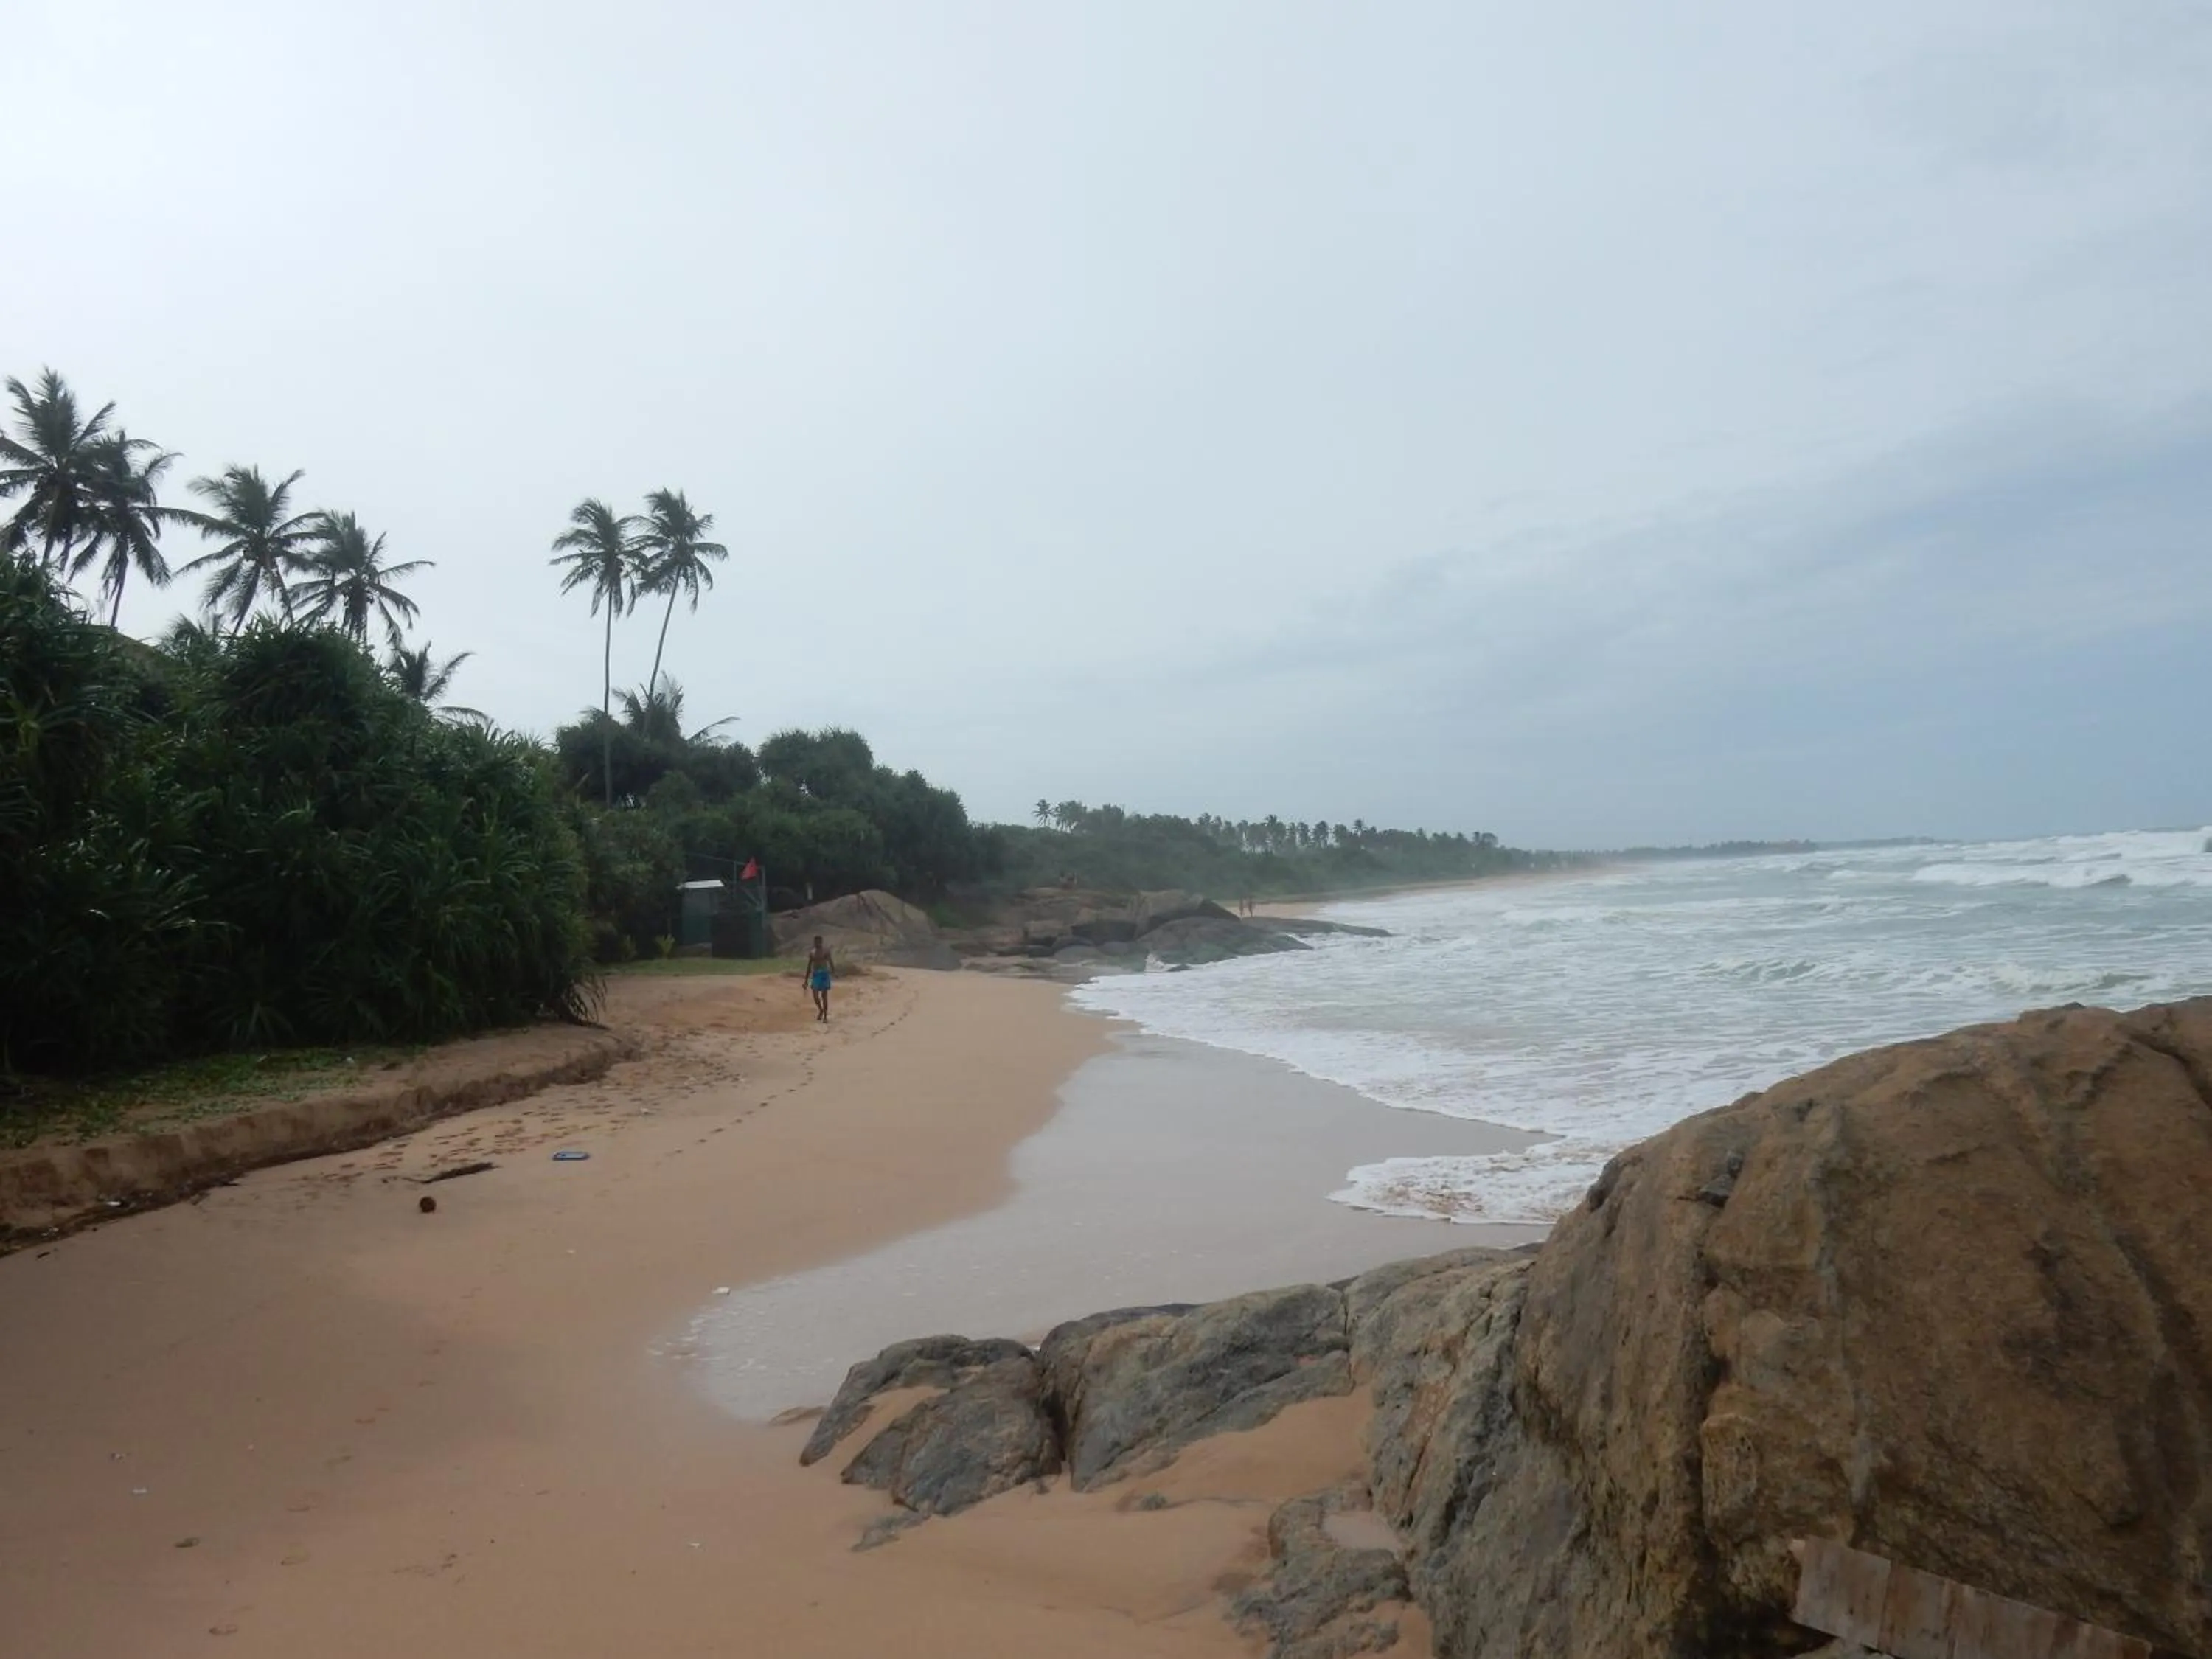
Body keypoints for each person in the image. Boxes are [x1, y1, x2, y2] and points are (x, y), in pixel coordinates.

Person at [804, 935, 834, 1023]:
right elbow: (809, 966)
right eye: (816, 942)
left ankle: (825, 1016)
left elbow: (830, 962)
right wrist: (806, 980)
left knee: (824, 996)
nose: (817, 943)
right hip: (816, 974)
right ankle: (820, 1010)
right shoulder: (812, 953)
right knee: (815, 996)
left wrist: (833, 971)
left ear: (821, 942)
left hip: (824, 974)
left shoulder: (826, 951)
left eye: (819, 942)